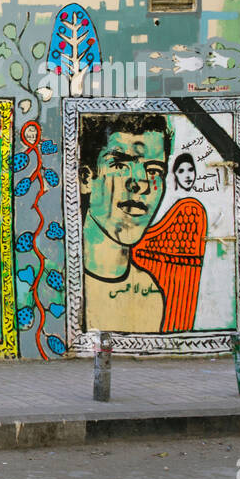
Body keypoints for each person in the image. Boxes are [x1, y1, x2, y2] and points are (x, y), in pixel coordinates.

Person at [79, 113, 171, 333]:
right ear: (86, 179)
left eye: (154, 170)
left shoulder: (149, 294)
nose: (140, 183)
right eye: (120, 164)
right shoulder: (56, 286)